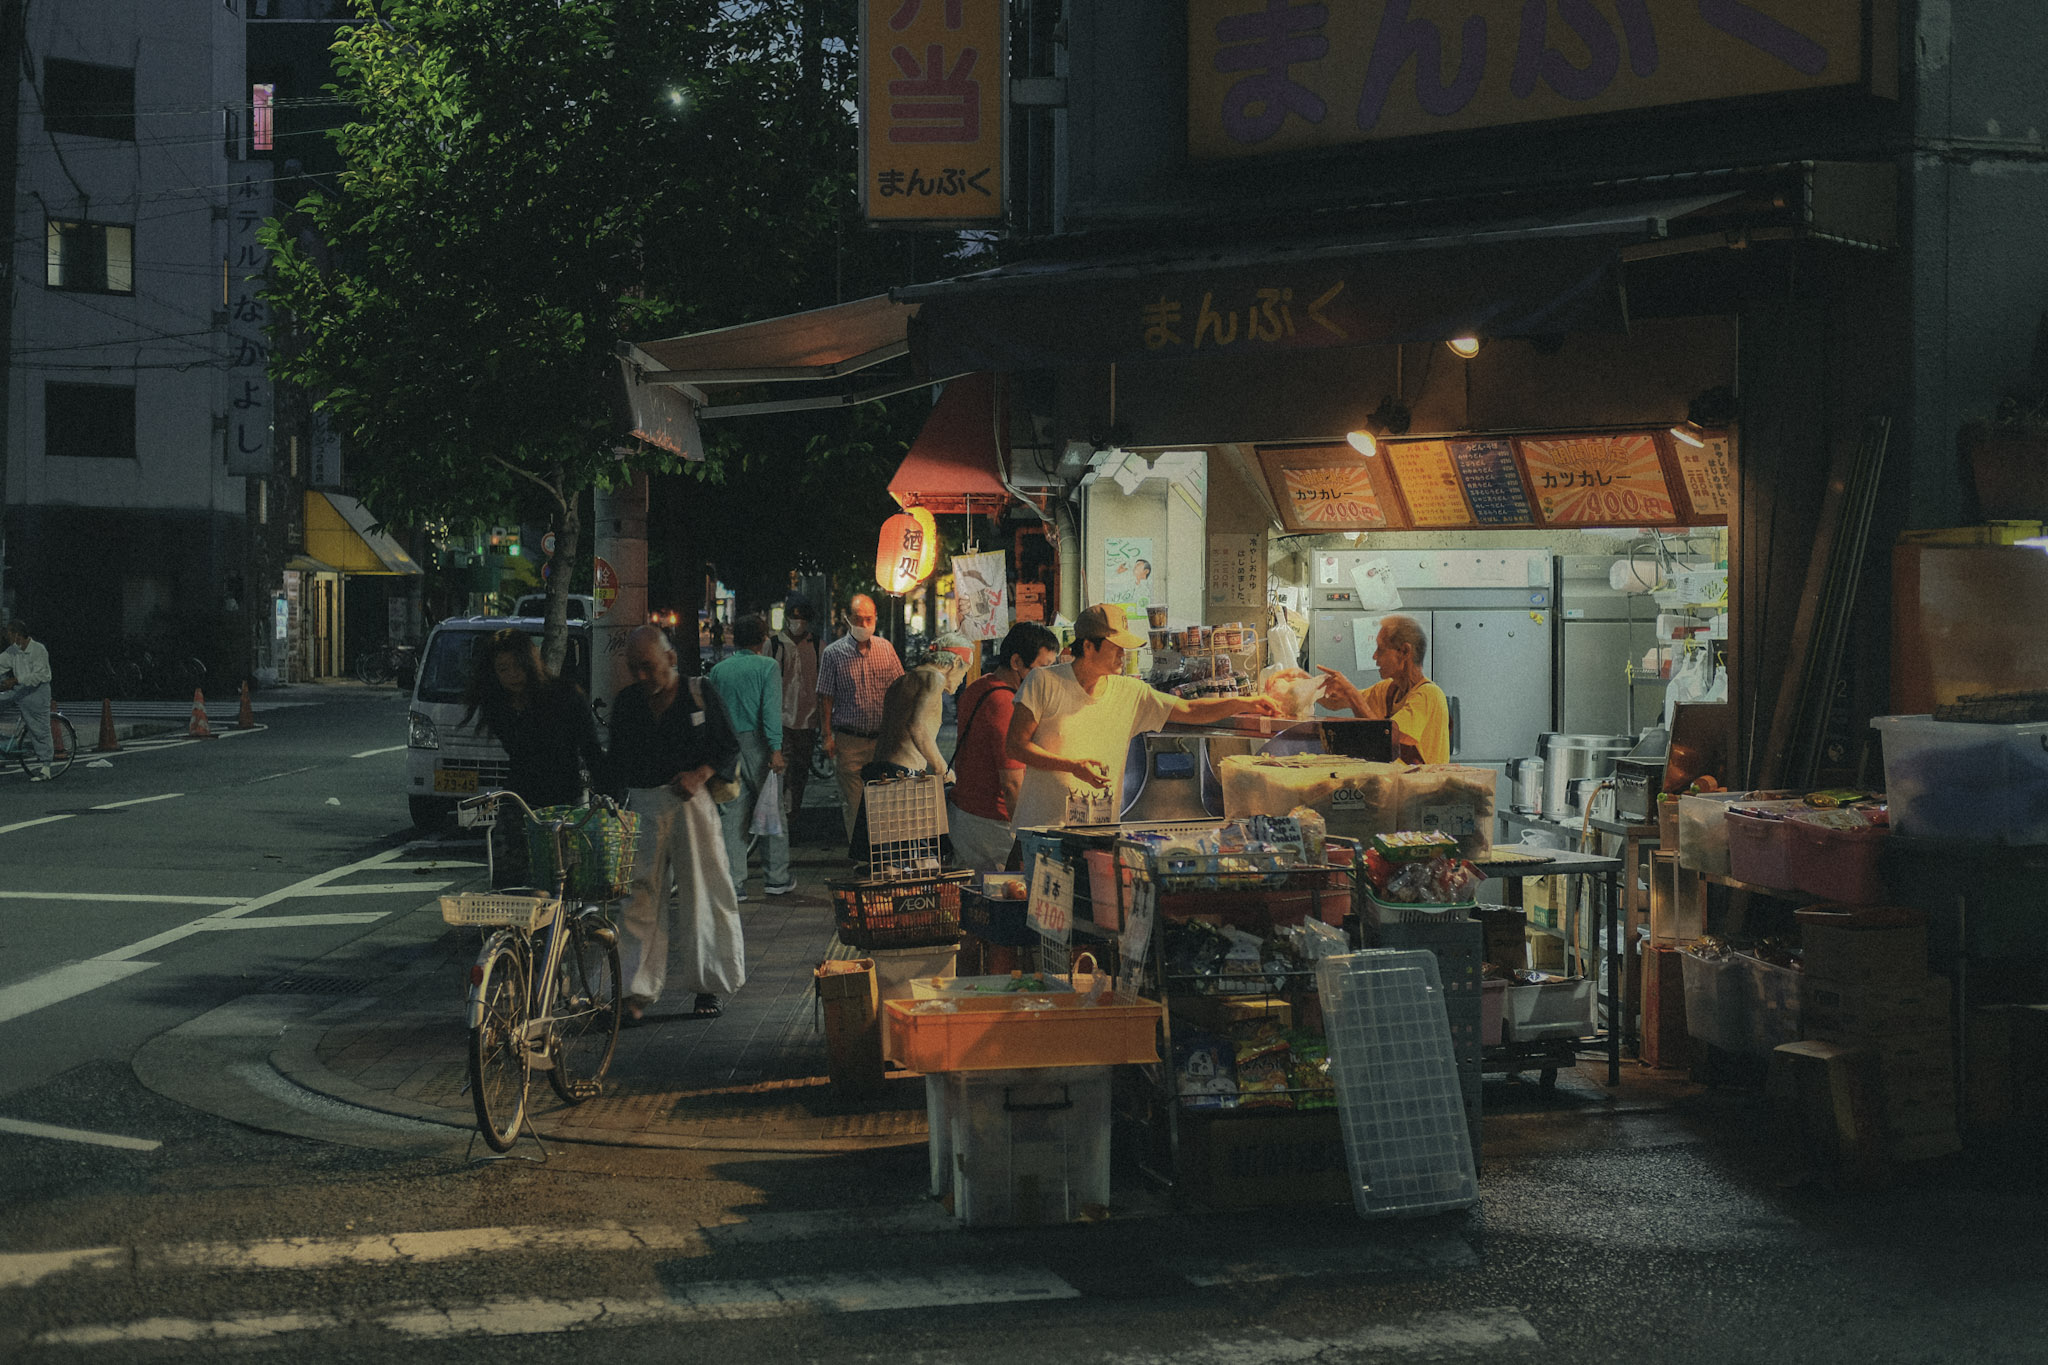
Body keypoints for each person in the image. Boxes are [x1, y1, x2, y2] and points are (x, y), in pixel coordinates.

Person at [1007, 604, 1280, 831]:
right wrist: (1072, 766)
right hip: (1041, 829)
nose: (1123, 655)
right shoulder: (1043, 681)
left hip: (1098, 832)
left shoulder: (1130, 692)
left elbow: (1190, 710)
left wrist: (1246, 702)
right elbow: (1016, 745)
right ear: (1088, 647)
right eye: (1116, 647)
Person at [605, 625, 746, 1023]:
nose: (642, 677)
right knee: (637, 898)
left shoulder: (699, 692)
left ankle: (709, 986)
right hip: (641, 804)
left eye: (648, 667)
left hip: (690, 802)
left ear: (670, 658)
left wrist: (699, 774)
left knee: (704, 890)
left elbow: (727, 744)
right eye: (635, 669)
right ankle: (633, 992)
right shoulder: (628, 702)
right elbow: (616, 760)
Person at [461, 629, 604, 887]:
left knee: (558, 884)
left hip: (561, 803)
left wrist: (607, 794)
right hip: (519, 802)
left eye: (518, 666)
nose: (513, 675)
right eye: (503, 669)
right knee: (511, 886)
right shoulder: (498, 705)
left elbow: (591, 751)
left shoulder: (566, 696)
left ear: (530, 661)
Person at [948, 622, 1059, 872]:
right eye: (1043, 669)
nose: (1048, 678)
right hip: (990, 824)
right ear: (1017, 662)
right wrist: (1025, 839)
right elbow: (1012, 784)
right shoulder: (1005, 704)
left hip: (965, 814)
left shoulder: (979, 686)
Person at [845, 644, 968, 862]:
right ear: (956, 663)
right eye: (964, 673)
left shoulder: (902, 680)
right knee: (918, 863)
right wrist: (943, 769)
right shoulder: (935, 678)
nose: (961, 681)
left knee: (886, 862)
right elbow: (916, 726)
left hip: (880, 772)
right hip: (902, 779)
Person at [707, 613, 792, 900]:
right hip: (759, 743)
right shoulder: (767, 666)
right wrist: (776, 748)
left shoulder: (719, 670)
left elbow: (713, 714)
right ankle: (776, 878)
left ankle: (735, 882)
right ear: (763, 639)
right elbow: (770, 711)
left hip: (729, 747)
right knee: (772, 810)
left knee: (733, 814)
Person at [815, 593, 903, 843]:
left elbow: (900, 690)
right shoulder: (833, 653)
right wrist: (827, 736)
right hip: (849, 740)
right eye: (858, 619)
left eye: (868, 619)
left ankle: (884, 855)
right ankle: (862, 858)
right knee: (853, 803)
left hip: (882, 740)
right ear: (847, 619)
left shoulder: (886, 649)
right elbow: (825, 697)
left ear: (875, 619)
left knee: (884, 801)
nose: (864, 625)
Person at [1315, 613, 1450, 765]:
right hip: (1397, 786)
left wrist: (1351, 692)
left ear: (1404, 651)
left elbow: (1384, 738)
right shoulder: (1388, 690)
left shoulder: (1429, 694)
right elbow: (1335, 701)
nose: (1374, 656)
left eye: (1381, 649)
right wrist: (1300, 687)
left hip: (1424, 788)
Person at [768, 595, 821, 822]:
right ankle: (781, 816)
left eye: (803, 618)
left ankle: (793, 816)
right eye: (794, 616)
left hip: (808, 722)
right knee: (783, 772)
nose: (798, 622)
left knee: (800, 773)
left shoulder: (818, 646)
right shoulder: (773, 645)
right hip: (780, 721)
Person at [0, 620, 54, 781]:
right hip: (20, 689)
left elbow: (41, 675)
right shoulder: (13, 651)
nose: (6, 636)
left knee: (38, 727)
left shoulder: (38, 650)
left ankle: (46, 767)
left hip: (37, 692)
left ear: (17, 634)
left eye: (9, 632)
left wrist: (16, 680)